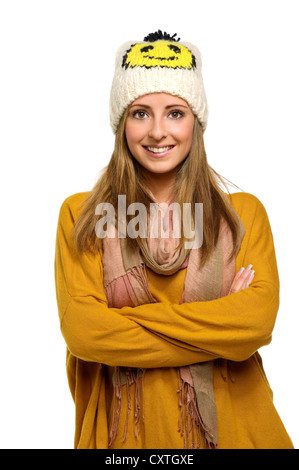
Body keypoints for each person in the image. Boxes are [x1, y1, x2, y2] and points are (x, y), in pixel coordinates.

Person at [55, 30, 293, 449]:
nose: (158, 132)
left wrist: (123, 324)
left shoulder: (241, 216)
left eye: (175, 113)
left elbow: (254, 322)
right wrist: (219, 324)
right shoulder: (83, 216)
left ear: (196, 122)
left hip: (239, 434)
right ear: (121, 123)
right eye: (141, 113)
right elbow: (85, 333)